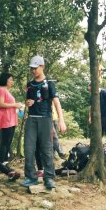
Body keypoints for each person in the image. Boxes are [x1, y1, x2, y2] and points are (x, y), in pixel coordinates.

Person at [20, 55, 66, 189]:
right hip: (32, 119)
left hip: (46, 119)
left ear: (42, 67)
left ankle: (49, 178)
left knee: (46, 149)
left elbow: (56, 102)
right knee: (28, 148)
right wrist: (27, 103)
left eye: (35, 68)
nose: (33, 71)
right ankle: (30, 177)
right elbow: (27, 101)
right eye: (31, 68)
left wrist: (61, 120)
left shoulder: (49, 83)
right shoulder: (30, 84)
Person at [0, 73, 23, 163]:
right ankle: (0, 162)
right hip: (6, 119)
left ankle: (5, 162)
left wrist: (17, 106)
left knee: (8, 142)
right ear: (5, 80)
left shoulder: (7, 91)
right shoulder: (1, 90)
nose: (12, 82)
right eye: (10, 79)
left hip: (12, 119)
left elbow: (9, 104)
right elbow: (0, 104)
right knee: (4, 142)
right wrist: (15, 104)